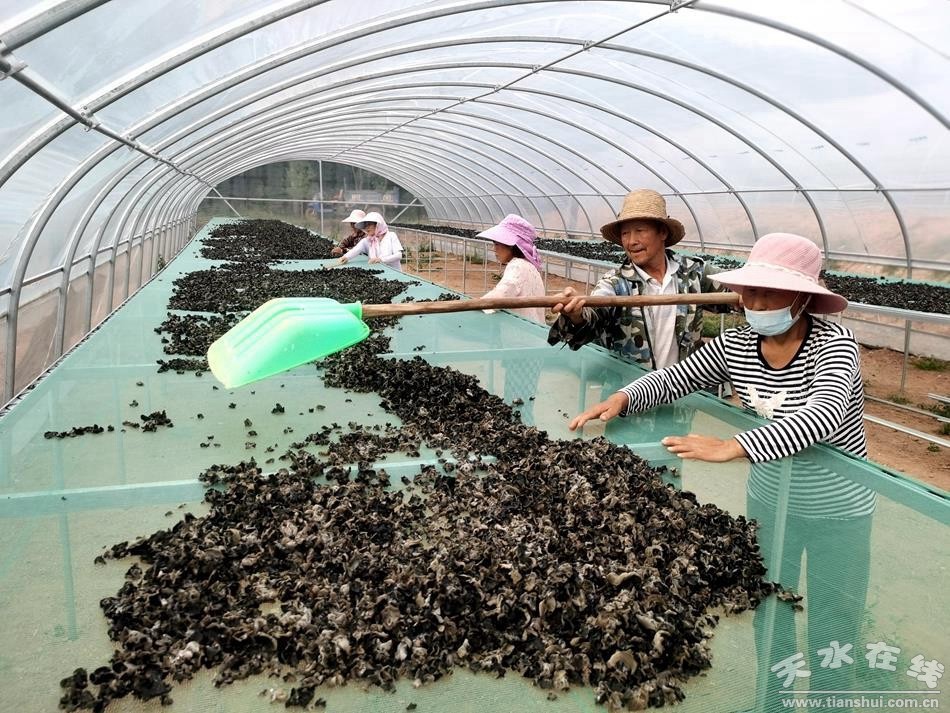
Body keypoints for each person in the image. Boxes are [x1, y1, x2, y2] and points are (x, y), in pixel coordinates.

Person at [569, 232, 867, 464]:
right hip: (767, 486)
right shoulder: (736, 344)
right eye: (751, 291)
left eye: (772, 293)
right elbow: (675, 379)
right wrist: (624, 397)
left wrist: (735, 445)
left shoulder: (834, 344)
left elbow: (824, 413)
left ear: (803, 297)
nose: (758, 304)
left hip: (835, 501)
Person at [549, 188, 726, 371]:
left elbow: (734, 289)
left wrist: (745, 291)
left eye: (640, 230)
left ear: (663, 232)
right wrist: (577, 315)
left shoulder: (692, 273)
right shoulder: (616, 284)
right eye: (625, 233)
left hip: (684, 386)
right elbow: (594, 315)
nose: (631, 241)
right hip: (631, 387)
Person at [478, 214, 546, 324]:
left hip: (520, 332)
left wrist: (476, 305)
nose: (494, 249)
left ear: (510, 246)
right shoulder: (530, 267)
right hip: (534, 329)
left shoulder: (517, 266)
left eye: (497, 244)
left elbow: (500, 296)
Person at [338, 211, 404, 271]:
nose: (367, 228)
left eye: (369, 224)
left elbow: (398, 255)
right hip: (380, 272)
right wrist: (345, 257)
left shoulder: (391, 236)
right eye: (365, 225)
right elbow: (355, 250)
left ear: (377, 225)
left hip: (394, 272)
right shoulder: (368, 240)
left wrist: (381, 260)